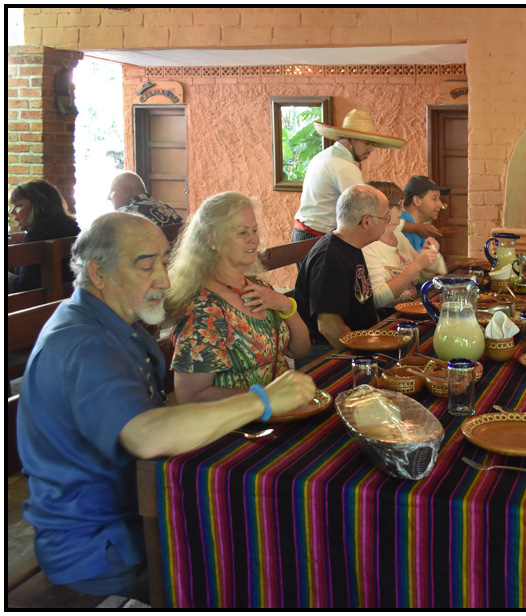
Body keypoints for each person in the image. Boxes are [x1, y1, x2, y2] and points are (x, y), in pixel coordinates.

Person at [16, 212, 316, 601]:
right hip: (103, 547)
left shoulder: (108, 322)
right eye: (146, 267)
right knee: (268, 566)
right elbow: (147, 435)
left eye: (163, 262)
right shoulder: (85, 345)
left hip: (139, 512)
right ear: (98, 273)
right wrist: (263, 400)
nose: (165, 280)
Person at [165, 192, 311, 403]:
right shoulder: (204, 309)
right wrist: (267, 399)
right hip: (241, 419)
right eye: (242, 232)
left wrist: (285, 305)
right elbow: (191, 396)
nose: (254, 239)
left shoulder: (259, 286)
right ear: (211, 238)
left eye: (254, 230)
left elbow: (300, 350)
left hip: (282, 410)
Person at [294, 184, 390, 367]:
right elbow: (329, 328)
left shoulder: (351, 246)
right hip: (328, 353)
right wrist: (367, 360)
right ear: (366, 222)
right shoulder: (329, 258)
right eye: (386, 217)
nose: (388, 223)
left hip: (358, 342)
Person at [362, 181, 443, 315]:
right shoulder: (368, 245)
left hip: (410, 309)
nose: (403, 210)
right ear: (383, 208)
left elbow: (422, 278)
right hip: (387, 315)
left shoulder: (398, 235)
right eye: (399, 205)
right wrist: (416, 266)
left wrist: (429, 258)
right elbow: (379, 300)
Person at [8, 180, 81, 292]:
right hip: (72, 296)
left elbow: (24, 287)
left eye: (19, 206)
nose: (12, 212)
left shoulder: (36, 236)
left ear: (37, 206)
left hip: (46, 301)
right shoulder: (72, 228)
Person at [399, 175, 478, 272]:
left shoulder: (421, 230)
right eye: (434, 198)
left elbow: (425, 273)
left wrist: (458, 263)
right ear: (417, 200)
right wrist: (457, 263)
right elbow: (413, 274)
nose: (440, 204)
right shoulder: (397, 223)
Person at [108, 171, 183, 226]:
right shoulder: (167, 209)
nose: (108, 197)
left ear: (125, 190)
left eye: (111, 191)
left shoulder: (124, 214)